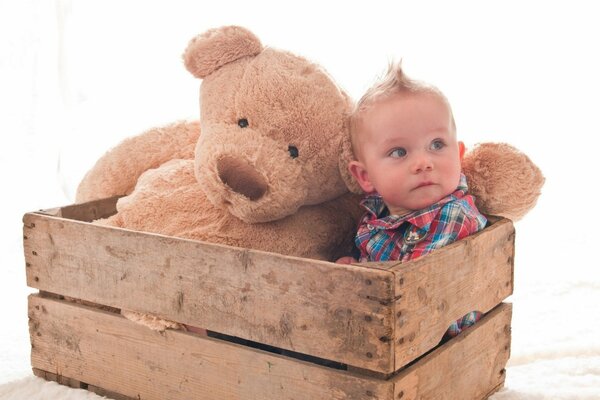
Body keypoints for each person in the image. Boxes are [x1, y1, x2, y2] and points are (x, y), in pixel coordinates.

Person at [338, 62, 488, 339]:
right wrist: (353, 269)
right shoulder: (377, 214)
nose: (423, 162)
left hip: (430, 339)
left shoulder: (453, 216)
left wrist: (361, 277)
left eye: (437, 145)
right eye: (399, 152)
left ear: (459, 153)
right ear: (365, 176)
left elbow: (411, 286)